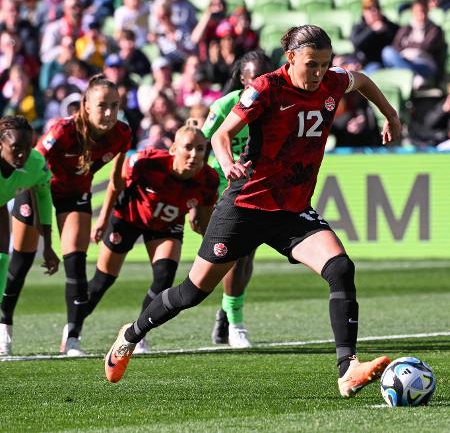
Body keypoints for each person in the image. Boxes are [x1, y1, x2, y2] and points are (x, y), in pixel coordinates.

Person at [104, 25, 401, 399]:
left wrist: (390, 115)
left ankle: (348, 370)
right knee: (192, 293)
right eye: (312, 65)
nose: (319, 73)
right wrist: (227, 164)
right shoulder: (266, 88)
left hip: (291, 211)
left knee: (340, 267)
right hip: (245, 206)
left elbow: (363, 81)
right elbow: (221, 135)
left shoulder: (333, 82)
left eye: (325, 65)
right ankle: (130, 334)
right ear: (291, 58)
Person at [74, 119, 218, 353]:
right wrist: (102, 220)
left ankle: (137, 334)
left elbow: (205, 219)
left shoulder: (209, 179)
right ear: (173, 149)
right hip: (128, 218)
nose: (194, 154)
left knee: (164, 276)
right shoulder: (146, 161)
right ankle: (73, 332)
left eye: (200, 148)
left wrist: (201, 224)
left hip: (165, 226)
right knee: (102, 282)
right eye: (188, 147)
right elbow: (115, 184)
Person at [28, 74, 131, 356]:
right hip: (40, 192)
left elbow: (116, 181)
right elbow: (33, 163)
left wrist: (103, 218)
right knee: (18, 262)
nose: (109, 113)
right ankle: (5, 329)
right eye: (102, 106)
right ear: (85, 105)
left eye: (115, 105)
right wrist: (35, 217)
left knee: (75, 262)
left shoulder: (122, 133)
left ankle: (72, 337)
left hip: (75, 197)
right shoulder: (62, 131)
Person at [203, 50, 273, 348]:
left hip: (255, 185)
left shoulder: (274, 107)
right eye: (252, 80)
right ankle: (235, 323)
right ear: (242, 80)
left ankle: (226, 312)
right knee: (233, 255)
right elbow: (201, 147)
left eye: (264, 78)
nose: (259, 85)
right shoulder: (224, 107)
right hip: (223, 185)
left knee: (247, 255)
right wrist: (200, 197)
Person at [0, 115, 59, 356]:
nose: (22, 153)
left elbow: (43, 197)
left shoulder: (35, 163)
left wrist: (48, 245)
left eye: (27, 147)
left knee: (2, 260)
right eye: (16, 148)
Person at [381, 0, 446, 89]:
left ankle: (408, 76)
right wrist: (411, 47)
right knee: (387, 52)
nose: (421, 15)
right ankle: (414, 76)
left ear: (427, 11)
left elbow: (425, 47)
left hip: (424, 63)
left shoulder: (435, 29)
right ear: (413, 12)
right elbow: (395, 46)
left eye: (423, 11)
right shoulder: (405, 28)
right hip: (405, 59)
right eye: (418, 12)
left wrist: (407, 45)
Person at [350, 0, 399, 75]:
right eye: (370, 9)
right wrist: (372, 30)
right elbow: (356, 43)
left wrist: (385, 30)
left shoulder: (389, 25)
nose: (375, 12)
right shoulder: (359, 27)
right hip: (368, 63)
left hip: (388, 62)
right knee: (374, 70)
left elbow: (398, 39)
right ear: (364, 12)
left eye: (377, 8)